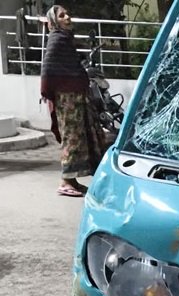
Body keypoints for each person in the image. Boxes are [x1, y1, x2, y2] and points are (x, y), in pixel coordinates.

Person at [41, 5, 105, 197]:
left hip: (76, 97)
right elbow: (48, 68)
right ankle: (65, 181)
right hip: (68, 101)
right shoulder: (57, 39)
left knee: (81, 135)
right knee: (72, 137)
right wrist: (47, 92)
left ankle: (72, 181)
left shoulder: (65, 39)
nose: (68, 17)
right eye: (62, 16)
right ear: (54, 21)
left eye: (67, 14)